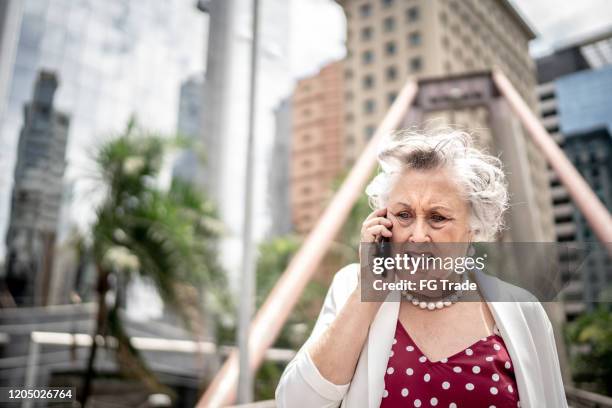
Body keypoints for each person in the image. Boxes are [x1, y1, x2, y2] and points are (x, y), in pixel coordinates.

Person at [275, 129, 568, 408]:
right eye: (403, 215)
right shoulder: (352, 286)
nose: (416, 235)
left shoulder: (524, 310)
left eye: (437, 217)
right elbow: (296, 402)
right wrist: (370, 289)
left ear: (473, 228)